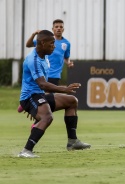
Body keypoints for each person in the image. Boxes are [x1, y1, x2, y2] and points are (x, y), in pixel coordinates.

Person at [18, 30, 90, 158]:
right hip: (30, 97)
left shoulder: (44, 56)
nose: (54, 46)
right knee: (47, 117)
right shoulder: (33, 60)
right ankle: (26, 150)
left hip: (39, 95)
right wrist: (64, 89)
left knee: (72, 101)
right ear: (43, 43)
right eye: (52, 43)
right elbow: (42, 84)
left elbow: (42, 86)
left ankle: (72, 142)